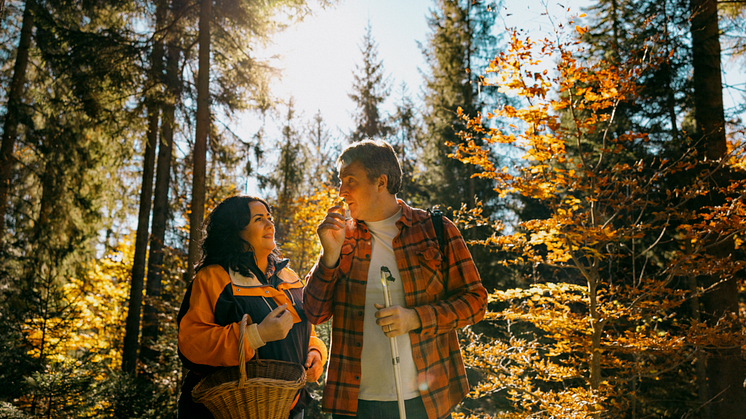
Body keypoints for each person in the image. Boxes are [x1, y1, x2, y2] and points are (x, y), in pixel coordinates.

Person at [303, 139, 488, 419]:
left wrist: (415, 318)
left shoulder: (435, 229)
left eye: (350, 180)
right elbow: (314, 313)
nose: (341, 192)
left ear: (381, 182)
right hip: (354, 405)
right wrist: (328, 256)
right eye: (340, 182)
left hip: (425, 402)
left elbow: (476, 301)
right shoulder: (342, 237)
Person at [177, 195, 328, 419]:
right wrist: (256, 335)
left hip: (289, 407)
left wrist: (315, 352)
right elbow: (192, 344)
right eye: (259, 219)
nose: (270, 224)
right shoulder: (213, 278)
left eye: (269, 218)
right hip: (228, 410)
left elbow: (306, 330)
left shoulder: (290, 276)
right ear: (235, 230)